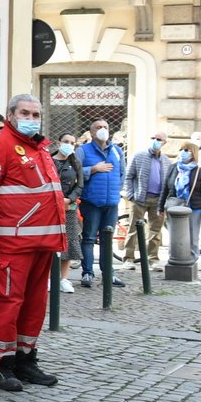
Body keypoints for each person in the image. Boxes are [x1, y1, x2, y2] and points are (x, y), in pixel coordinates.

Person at [0, 93, 64, 392]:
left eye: (36, 114)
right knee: (8, 304)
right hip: (12, 244)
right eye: (25, 113)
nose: (31, 119)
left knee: (35, 306)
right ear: (10, 115)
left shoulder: (39, 148)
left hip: (43, 242)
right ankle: (0, 365)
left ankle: (26, 360)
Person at [76, 118, 125, 287]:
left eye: (105, 127)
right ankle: (87, 273)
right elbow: (75, 172)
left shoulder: (117, 151)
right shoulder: (83, 151)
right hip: (91, 202)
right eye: (98, 127)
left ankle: (108, 274)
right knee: (89, 238)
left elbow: (122, 175)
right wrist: (93, 169)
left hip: (111, 203)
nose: (102, 129)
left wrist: (115, 192)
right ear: (91, 132)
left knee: (107, 240)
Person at [121, 130, 169, 270]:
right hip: (140, 198)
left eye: (159, 139)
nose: (155, 140)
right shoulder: (139, 156)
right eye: (153, 137)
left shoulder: (166, 160)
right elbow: (128, 176)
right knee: (133, 229)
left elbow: (168, 182)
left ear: (164, 142)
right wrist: (131, 195)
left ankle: (152, 259)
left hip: (158, 201)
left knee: (155, 231)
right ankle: (128, 258)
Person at [163, 141, 201, 259]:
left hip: (194, 208)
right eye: (182, 150)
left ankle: (192, 260)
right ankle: (174, 258)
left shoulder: (199, 171)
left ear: (193, 153)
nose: (183, 153)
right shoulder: (173, 168)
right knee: (174, 236)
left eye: (186, 150)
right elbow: (165, 189)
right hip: (175, 207)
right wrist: (160, 207)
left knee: (193, 236)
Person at [52, 132, 82, 293]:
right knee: (50, 242)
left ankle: (64, 278)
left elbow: (80, 185)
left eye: (72, 143)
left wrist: (69, 199)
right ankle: (49, 278)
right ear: (58, 143)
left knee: (68, 242)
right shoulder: (49, 160)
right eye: (66, 141)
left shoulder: (75, 162)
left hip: (68, 208)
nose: (69, 145)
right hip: (50, 207)